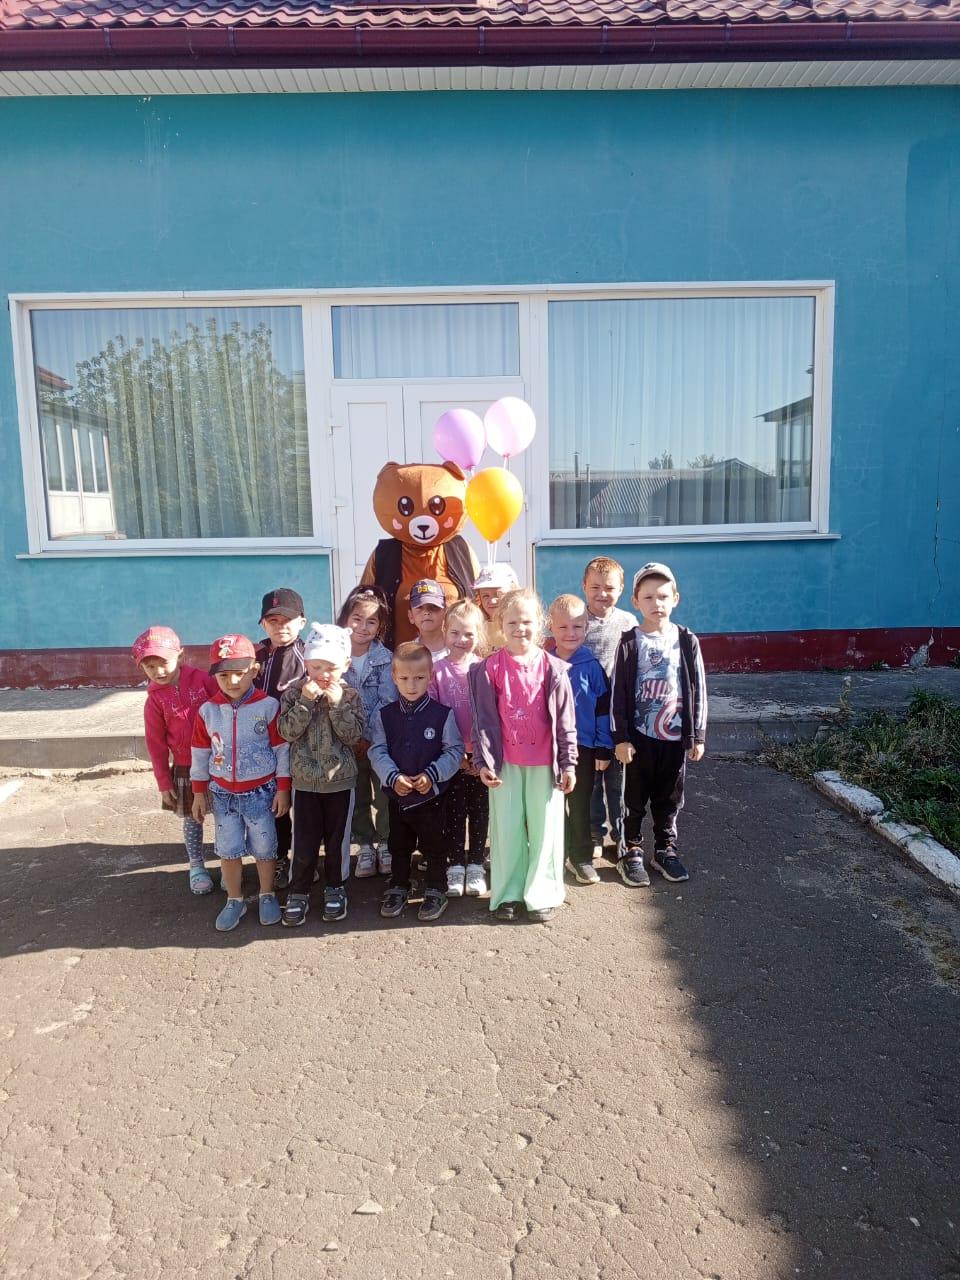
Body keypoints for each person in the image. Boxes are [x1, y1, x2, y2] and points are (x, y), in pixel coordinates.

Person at [470, 589, 577, 924]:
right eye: (512, 622)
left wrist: (568, 763)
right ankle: (508, 893)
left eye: (527, 621)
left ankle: (541, 893)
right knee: (507, 830)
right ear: (500, 624)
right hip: (505, 765)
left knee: (546, 831)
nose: (520, 628)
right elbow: (482, 721)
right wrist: (483, 763)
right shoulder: (489, 669)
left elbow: (566, 721)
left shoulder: (554, 669)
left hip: (545, 764)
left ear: (540, 624)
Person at [611, 562, 707, 886]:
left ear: (675, 599)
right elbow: (618, 692)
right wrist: (621, 737)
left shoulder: (686, 640)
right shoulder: (630, 642)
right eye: (648, 597)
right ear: (635, 602)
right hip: (639, 738)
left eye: (663, 596)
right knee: (634, 799)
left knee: (669, 799)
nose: (657, 604)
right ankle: (631, 851)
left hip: (674, 738)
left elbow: (698, 687)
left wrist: (697, 735)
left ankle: (665, 850)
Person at [190, 635, 291, 932]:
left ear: (254, 670)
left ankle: (267, 894)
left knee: (265, 847)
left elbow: (281, 749)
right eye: (223, 675)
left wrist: (283, 788)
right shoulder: (208, 711)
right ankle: (234, 899)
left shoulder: (268, 706)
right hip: (223, 795)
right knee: (228, 849)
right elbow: (200, 752)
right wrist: (199, 792)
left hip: (261, 793)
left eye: (239, 673)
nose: (232, 681)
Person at [368, 642, 464, 922]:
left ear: (430, 676)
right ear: (394, 676)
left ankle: (436, 888)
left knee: (434, 845)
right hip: (398, 796)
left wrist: (432, 774)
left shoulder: (442, 714)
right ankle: (399, 884)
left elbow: (454, 751)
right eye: (405, 678)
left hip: (431, 796)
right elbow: (377, 750)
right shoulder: (385, 715)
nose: (412, 685)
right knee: (398, 844)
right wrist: (392, 776)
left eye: (419, 677)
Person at [278, 624, 366, 926]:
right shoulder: (293, 693)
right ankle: (298, 891)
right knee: (304, 841)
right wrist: (304, 702)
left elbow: (353, 736)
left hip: (340, 783)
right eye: (316, 667)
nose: (323, 674)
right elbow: (287, 732)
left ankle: (335, 887)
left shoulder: (350, 696)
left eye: (331, 667)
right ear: (306, 663)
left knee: (337, 841)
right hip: (304, 784)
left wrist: (338, 704)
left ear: (346, 665)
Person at [133, 625, 219, 895]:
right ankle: (196, 865)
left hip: (219, 762)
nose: (158, 671)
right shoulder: (154, 701)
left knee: (226, 815)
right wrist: (163, 781)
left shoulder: (203, 680)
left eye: (163, 663)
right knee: (193, 818)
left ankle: (230, 861)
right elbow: (155, 744)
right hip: (185, 767)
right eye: (150, 666)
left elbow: (224, 705)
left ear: (180, 656)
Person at [547, 595, 613, 887]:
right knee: (552, 804)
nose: (570, 633)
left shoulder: (592, 666)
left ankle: (581, 857)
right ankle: (555, 855)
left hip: (584, 749)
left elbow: (603, 708)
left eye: (577, 626)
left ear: (586, 628)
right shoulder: (543, 664)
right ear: (551, 627)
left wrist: (603, 746)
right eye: (563, 627)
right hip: (549, 749)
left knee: (581, 804)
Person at [428, 599, 488, 898]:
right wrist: (454, 754)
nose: (461, 640)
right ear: (444, 632)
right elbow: (433, 714)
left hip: (480, 757)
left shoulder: (484, 669)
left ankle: (475, 863)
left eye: (468, 634)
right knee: (452, 812)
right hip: (450, 755)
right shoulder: (436, 671)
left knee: (479, 811)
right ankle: (454, 865)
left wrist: (482, 756)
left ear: (479, 634)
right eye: (454, 633)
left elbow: (492, 715)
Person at [580, 556, 638, 860]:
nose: (602, 594)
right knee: (591, 783)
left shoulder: (628, 622)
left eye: (610, 588)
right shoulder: (577, 621)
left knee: (618, 783)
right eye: (595, 587)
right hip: (587, 716)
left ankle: (621, 834)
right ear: (584, 587)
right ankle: (595, 833)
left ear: (621, 589)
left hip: (617, 716)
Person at [338, 585, 396, 879]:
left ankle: (386, 843)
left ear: (380, 626)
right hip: (346, 743)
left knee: (384, 794)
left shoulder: (387, 658)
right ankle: (364, 845)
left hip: (380, 741)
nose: (363, 627)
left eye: (371, 621)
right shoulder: (335, 656)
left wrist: (369, 737)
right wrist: (351, 737)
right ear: (345, 620)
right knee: (356, 793)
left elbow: (388, 701)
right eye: (357, 619)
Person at [254, 587, 307, 891]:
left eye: (287, 620)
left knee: (302, 806)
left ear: (302, 621)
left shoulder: (307, 656)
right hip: (263, 748)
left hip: (298, 748)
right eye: (272, 621)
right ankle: (279, 857)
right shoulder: (254, 657)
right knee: (274, 806)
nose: (280, 627)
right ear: (263, 624)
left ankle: (304, 860)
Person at [473, 563, 520, 652]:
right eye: (486, 596)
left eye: (499, 594)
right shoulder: (476, 625)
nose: (492, 601)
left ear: (513, 594)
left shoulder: (519, 626)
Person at [407, 579, 449, 661]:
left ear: (445, 612)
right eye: (419, 607)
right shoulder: (408, 654)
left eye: (433, 607)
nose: (426, 612)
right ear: (411, 616)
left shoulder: (457, 646)